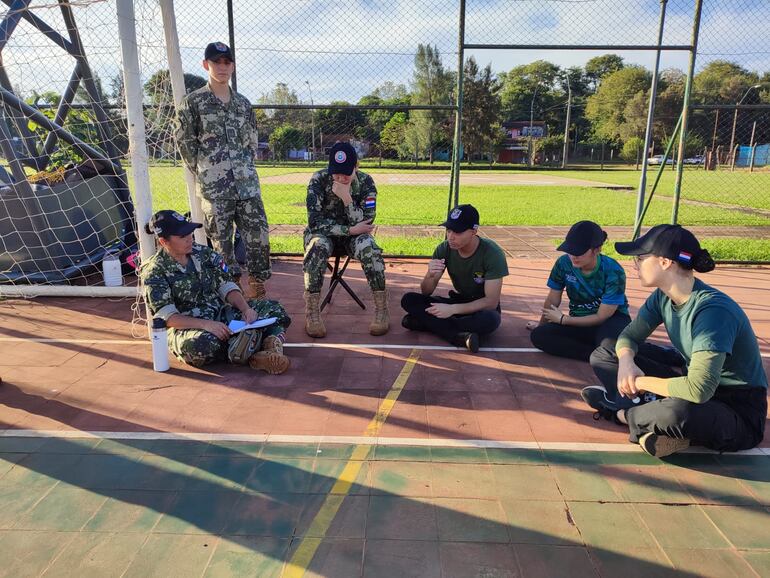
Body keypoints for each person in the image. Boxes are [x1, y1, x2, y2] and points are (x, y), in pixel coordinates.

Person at [582, 224, 767, 457]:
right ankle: (653, 422)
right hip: (692, 389)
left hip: (736, 410)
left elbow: (698, 390)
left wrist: (640, 383)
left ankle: (620, 413)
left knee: (677, 412)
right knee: (605, 353)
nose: (635, 264)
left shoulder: (713, 313)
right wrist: (627, 363)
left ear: (665, 262)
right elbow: (628, 336)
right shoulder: (663, 296)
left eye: (640, 258)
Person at [175, 41, 270, 300]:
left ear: (233, 66)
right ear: (205, 65)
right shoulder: (193, 103)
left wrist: (244, 167)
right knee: (221, 243)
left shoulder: (243, 104)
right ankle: (231, 288)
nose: (222, 67)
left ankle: (258, 284)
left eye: (227, 62)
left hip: (247, 185)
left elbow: (251, 141)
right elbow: (185, 144)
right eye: (216, 62)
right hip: (215, 187)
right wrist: (207, 171)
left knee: (258, 236)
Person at [139, 210, 291, 374]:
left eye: (190, 232)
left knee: (274, 308)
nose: (190, 238)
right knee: (198, 346)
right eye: (183, 236)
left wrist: (245, 309)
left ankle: (263, 346)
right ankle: (252, 346)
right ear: (164, 242)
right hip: (190, 327)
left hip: (222, 315)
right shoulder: (154, 271)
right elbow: (168, 317)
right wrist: (206, 325)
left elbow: (226, 286)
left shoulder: (204, 254)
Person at [303, 142, 388, 338]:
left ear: (356, 167)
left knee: (369, 248)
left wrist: (347, 198)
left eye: (346, 174)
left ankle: (382, 310)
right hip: (326, 236)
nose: (341, 178)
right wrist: (348, 229)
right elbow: (314, 223)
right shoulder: (318, 179)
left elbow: (367, 221)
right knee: (317, 247)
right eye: (336, 174)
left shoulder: (366, 182)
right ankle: (312, 313)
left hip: (354, 238)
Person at [400, 204, 508, 352]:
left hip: (480, 307)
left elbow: (490, 302)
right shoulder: (444, 249)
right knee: (409, 299)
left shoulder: (492, 253)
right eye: (449, 230)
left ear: (473, 231)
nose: (451, 236)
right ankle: (458, 336)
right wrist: (430, 275)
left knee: (490, 320)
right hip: (458, 300)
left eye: (457, 231)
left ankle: (427, 324)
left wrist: (452, 309)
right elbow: (426, 292)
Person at [527, 221, 630, 361]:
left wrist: (564, 320)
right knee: (539, 335)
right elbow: (552, 299)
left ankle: (607, 354)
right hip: (579, 321)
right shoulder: (563, 263)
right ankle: (599, 356)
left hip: (611, 320)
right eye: (570, 250)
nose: (573, 256)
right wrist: (541, 325)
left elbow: (602, 316)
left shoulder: (613, 270)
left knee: (609, 346)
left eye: (579, 252)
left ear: (597, 250)